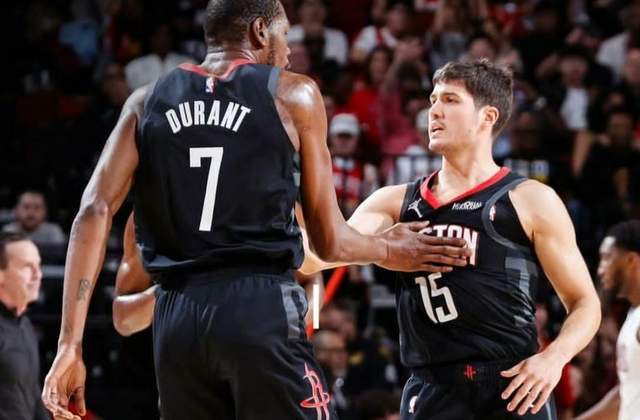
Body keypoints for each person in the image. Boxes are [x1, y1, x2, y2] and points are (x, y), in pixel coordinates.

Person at [41, 1, 470, 419]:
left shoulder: (144, 101)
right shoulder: (293, 93)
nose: (288, 51)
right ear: (260, 31)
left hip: (175, 319)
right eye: (285, 35)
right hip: (258, 305)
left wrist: (69, 345)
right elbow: (329, 241)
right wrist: (389, 248)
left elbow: (93, 210)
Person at [302, 59, 602, 419]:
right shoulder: (394, 202)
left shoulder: (529, 199)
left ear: (487, 116)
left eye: (450, 100)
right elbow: (315, 259)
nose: (434, 111)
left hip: (512, 385)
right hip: (432, 387)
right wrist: (380, 248)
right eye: (433, 100)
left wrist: (554, 358)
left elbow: (585, 303)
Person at [576, 220, 640, 420]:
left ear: (631, 260)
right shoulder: (633, 314)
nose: (601, 270)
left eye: (607, 258)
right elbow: (624, 396)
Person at [0, 232, 49, 420]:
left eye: (38, 265)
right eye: (28, 266)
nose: (38, 274)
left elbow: (32, 393)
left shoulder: (25, 325)